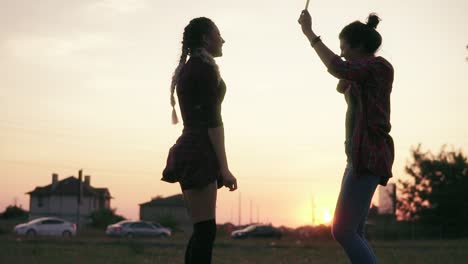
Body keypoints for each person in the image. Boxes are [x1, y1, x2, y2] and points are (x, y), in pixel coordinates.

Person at [298, 10, 395, 264]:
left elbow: (337, 67)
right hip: (357, 156)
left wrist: (309, 33)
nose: (341, 52)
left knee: (341, 230)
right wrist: (345, 81)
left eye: (344, 47)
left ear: (360, 46)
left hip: (369, 154)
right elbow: (344, 74)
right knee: (355, 231)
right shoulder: (364, 72)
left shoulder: (379, 66)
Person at [162, 17, 238, 264]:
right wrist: (224, 169)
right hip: (198, 152)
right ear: (206, 38)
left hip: (194, 149)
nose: (223, 39)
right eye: (218, 34)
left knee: (202, 230)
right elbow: (213, 123)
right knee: (205, 231)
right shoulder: (202, 70)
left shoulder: (193, 68)